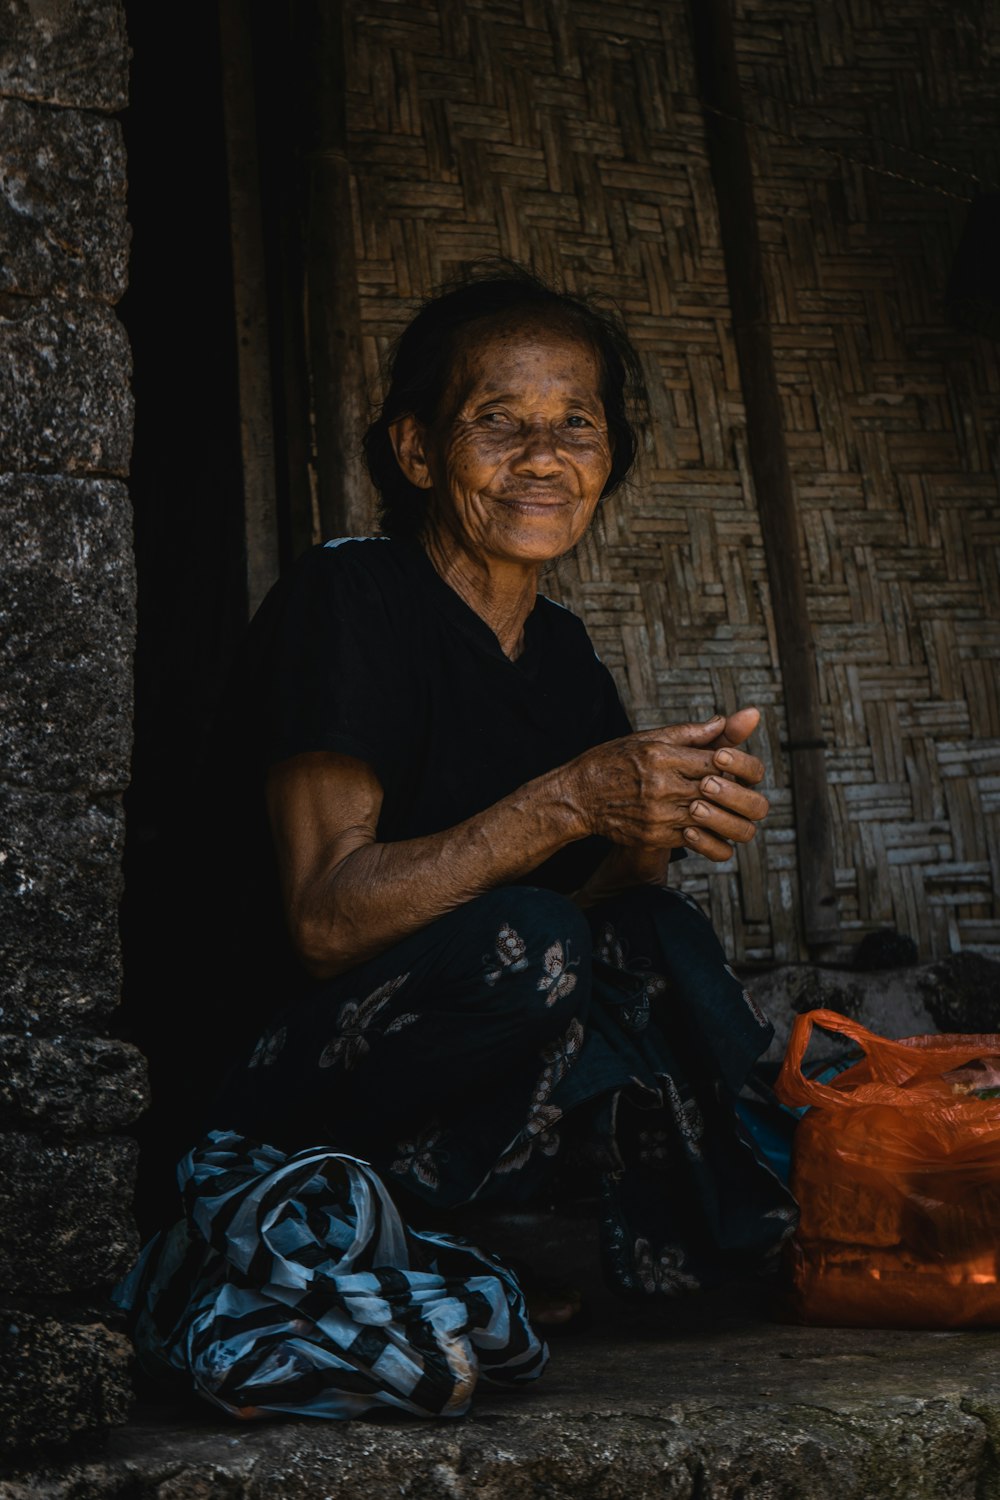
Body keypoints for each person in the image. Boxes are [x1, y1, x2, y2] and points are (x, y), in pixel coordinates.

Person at [117, 267, 796, 1420]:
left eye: (576, 423)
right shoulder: (350, 599)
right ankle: (357, 1229)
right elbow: (327, 921)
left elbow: (588, 901)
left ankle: (750, 1230)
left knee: (650, 925)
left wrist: (651, 833)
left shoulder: (562, 652)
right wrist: (574, 799)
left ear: (610, 454)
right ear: (420, 451)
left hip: (440, 1009)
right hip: (262, 1080)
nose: (544, 456)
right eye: (500, 423)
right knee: (524, 940)